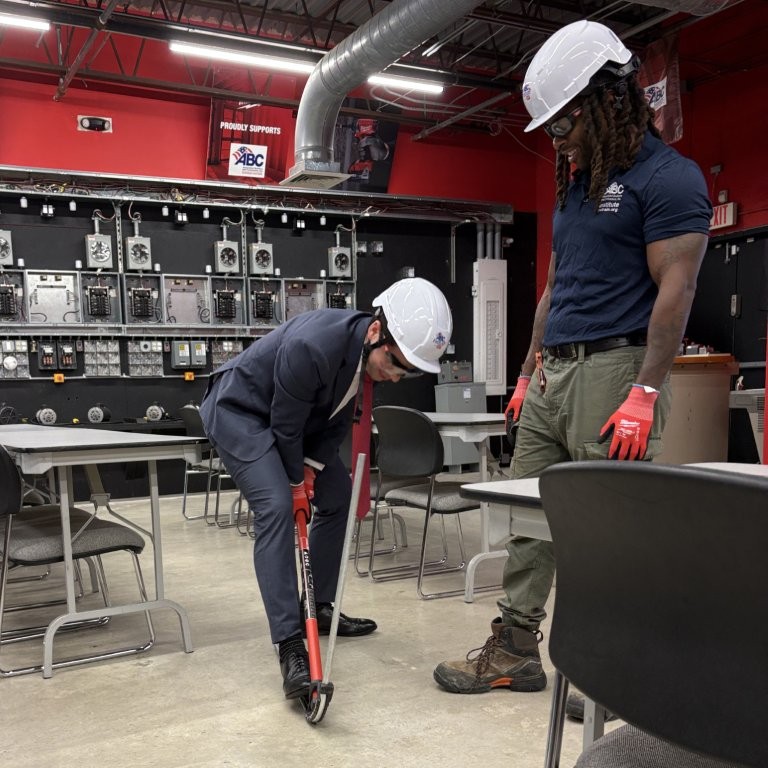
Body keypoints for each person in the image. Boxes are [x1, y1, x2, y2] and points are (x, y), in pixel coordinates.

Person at [433, 19, 712, 696]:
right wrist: (527, 373)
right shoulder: (578, 188)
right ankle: (516, 649)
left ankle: (616, 667)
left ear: (606, 100)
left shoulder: (670, 179)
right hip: (554, 373)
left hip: (615, 373)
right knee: (528, 520)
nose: (556, 139)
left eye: (563, 122)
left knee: (607, 528)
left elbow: (676, 294)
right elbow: (556, 288)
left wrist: (645, 392)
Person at [200, 277, 452, 701]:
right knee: (277, 506)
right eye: (396, 363)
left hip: (292, 422)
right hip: (240, 411)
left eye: (408, 371)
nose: (396, 376)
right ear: (376, 331)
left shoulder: (365, 354)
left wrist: (313, 470)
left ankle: (317, 606)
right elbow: (285, 427)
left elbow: (338, 421)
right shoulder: (313, 346)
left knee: (338, 498)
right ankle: (290, 643)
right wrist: (297, 482)